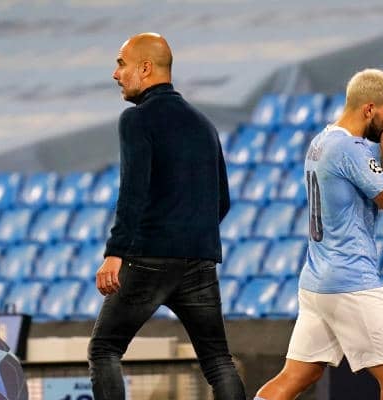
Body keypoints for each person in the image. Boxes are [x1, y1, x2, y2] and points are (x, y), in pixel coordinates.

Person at [255, 69, 383, 400]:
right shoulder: (351, 149)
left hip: (317, 283)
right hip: (351, 281)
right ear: (369, 109)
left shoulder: (322, 142)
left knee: (297, 375)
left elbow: (351, 197)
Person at [87, 32, 246, 400]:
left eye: (121, 64)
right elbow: (222, 200)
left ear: (145, 68)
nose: (115, 74)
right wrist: (190, 237)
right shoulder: (204, 124)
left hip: (149, 259)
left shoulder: (137, 120)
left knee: (105, 349)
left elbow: (133, 191)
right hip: (200, 260)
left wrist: (115, 252)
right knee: (217, 360)